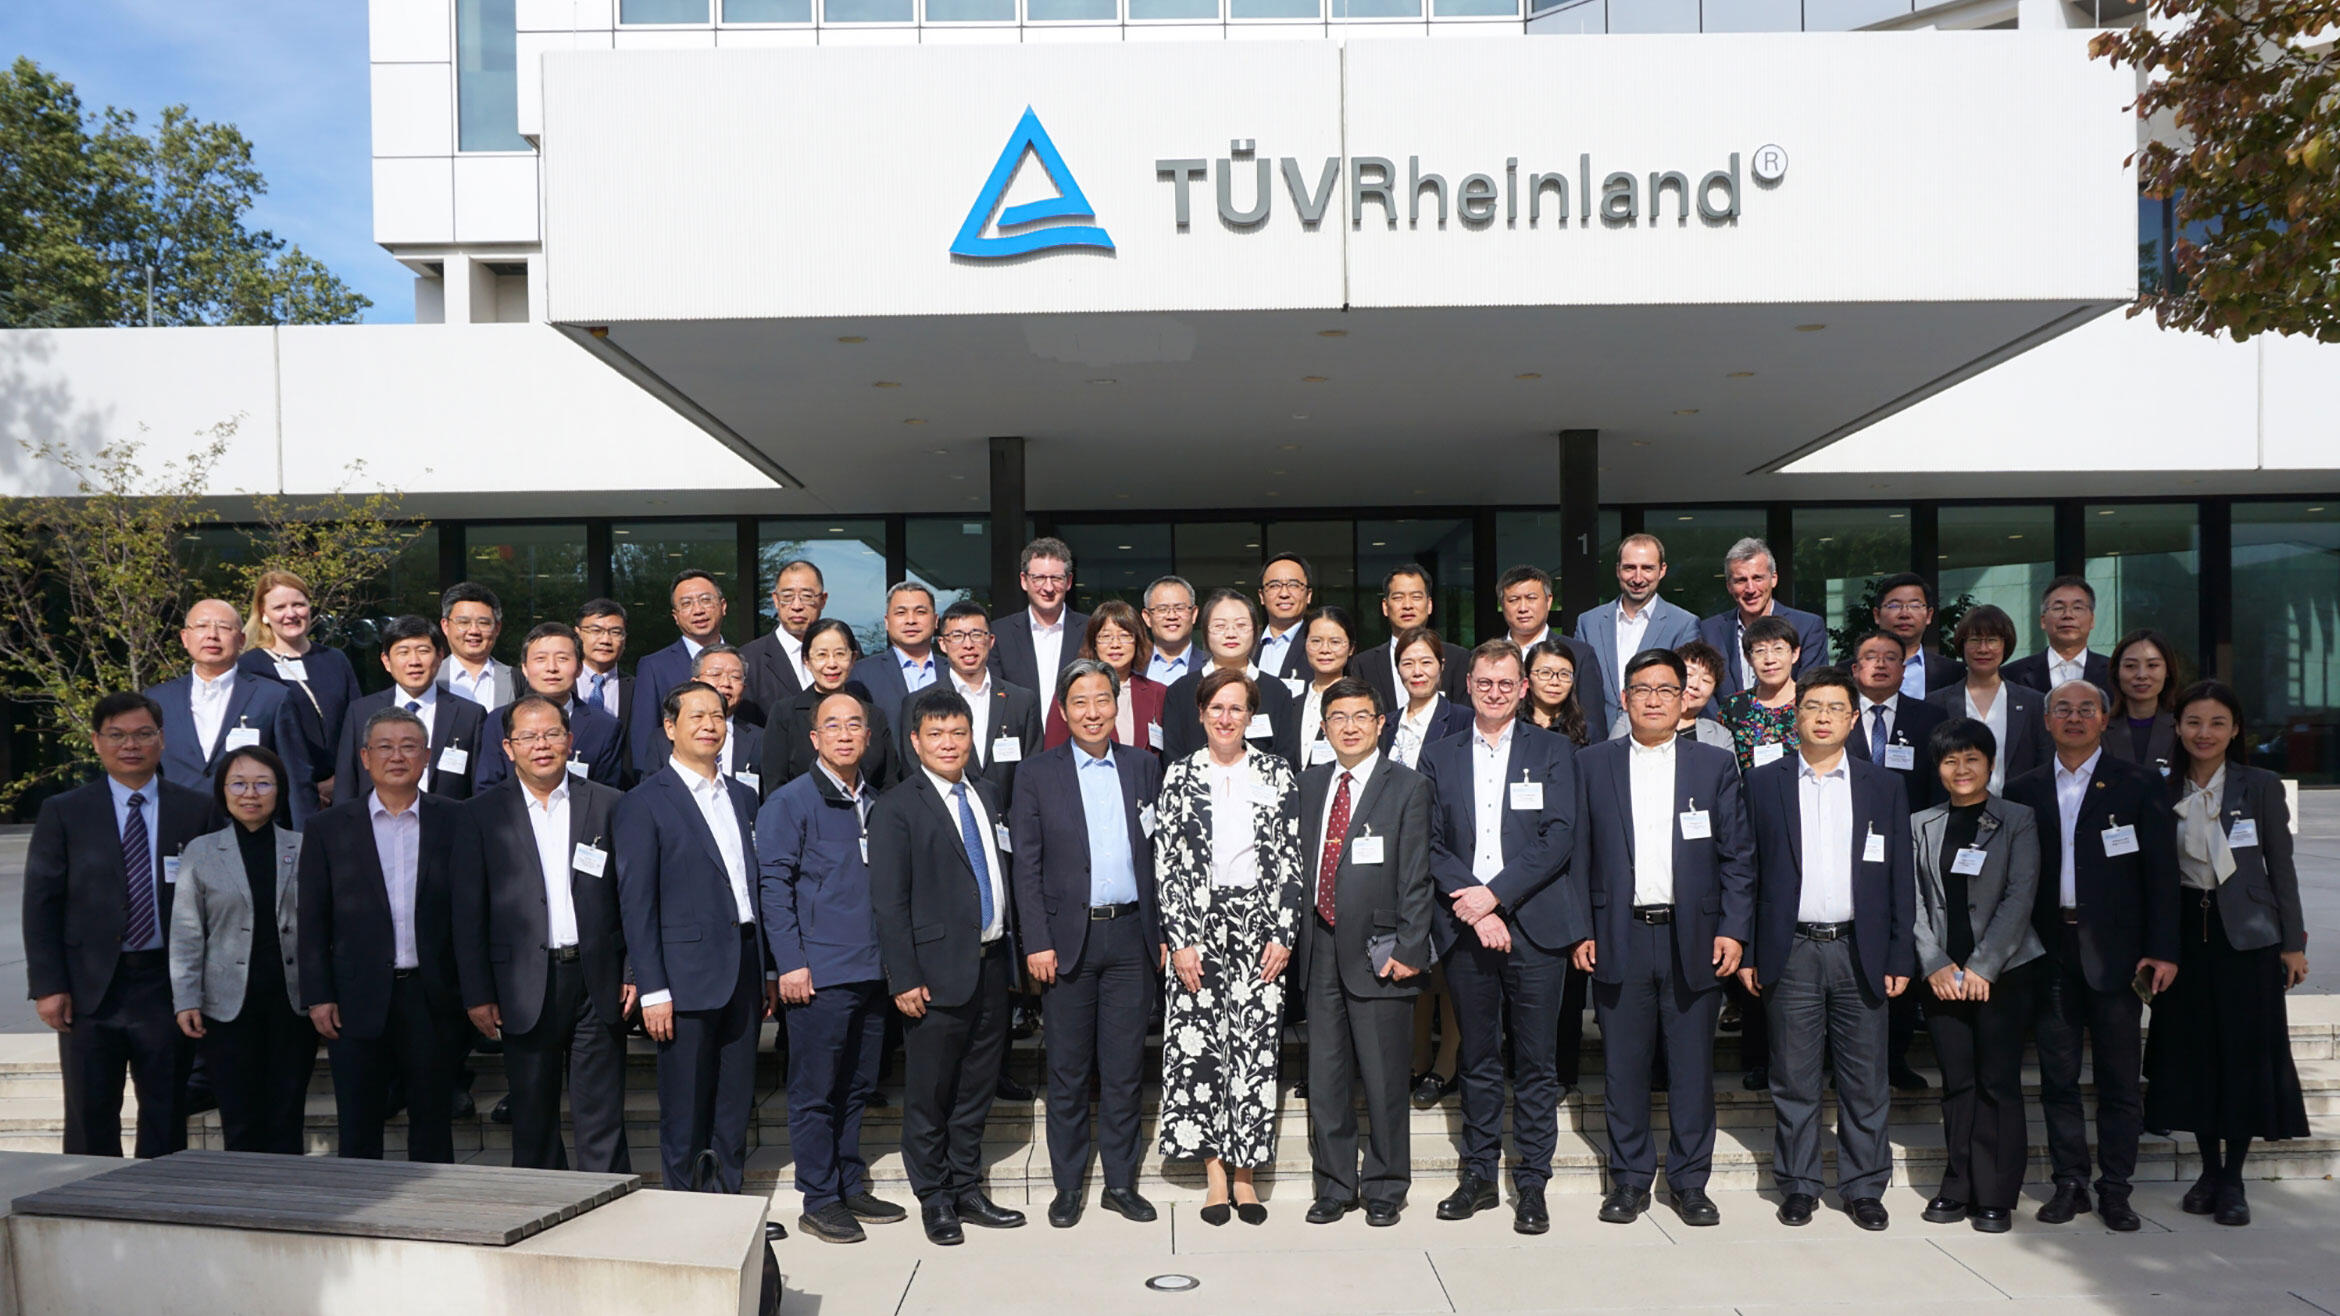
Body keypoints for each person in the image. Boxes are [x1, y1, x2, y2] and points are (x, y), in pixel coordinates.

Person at [1572, 650, 1754, 1228]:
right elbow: (1576, 859)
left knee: (1692, 1067)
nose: (1654, 699)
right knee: (1623, 1068)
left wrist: (1733, 928)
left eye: (1666, 690)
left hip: (1694, 936)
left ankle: (1689, 1181)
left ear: (1684, 701)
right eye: (1642, 690)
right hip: (1617, 933)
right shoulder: (1593, 763)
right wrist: (1581, 929)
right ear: (1624, 700)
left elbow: (1739, 858)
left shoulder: (1713, 766)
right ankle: (1628, 1181)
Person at [1738, 666, 1915, 1231]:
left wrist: (1898, 955)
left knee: (1865, 1078)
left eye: (1835, 708)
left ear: (1852, 718)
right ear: (1796, 715)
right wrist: (1747, 950)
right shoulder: (1765, 784)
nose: (1822, 717)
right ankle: (1799, 1184)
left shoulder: (1882, 785)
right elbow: (1747, 871)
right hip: (1789, 950)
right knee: (1793, 1076)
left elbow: (1898, 879)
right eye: (1812, 706)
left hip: (1857, 949)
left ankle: (1864, 1187)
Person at [2003, 678, 2178, 1232]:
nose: (2074, 718)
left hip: (2119, 957)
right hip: (2050, 950)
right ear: (2047, 721)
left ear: (2104, 720)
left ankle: (2117, 1189)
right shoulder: (2023, 788)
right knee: (2057, 1078)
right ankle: (2070, 1183)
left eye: (2086, 709)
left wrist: (2162, 950)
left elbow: (2162, 878)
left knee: (2120, 1081)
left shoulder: (2140, 783)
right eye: (2063, 709)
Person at [1418, 641, 1581, 1235]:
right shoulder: (1439, 755)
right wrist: (1477, 905)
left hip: (1535, 926)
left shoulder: (1554, 749)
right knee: (1479, 1057)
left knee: (1537, 1063)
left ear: (1522, 688)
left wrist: (1497, 895)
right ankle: (1480, 1175)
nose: (1493, 691)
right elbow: (1429, 842)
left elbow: (1558, 836)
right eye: (1484, 682)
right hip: (1466, 926)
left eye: (1505, 683)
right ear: (1469, 687)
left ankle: (1533, 1183)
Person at [2143, 680, 2309, 1227]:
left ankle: (2233, 1177)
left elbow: (2281, 867)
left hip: (2249, 939)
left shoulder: (2259, 785)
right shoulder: (2159, 788)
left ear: (2235, 729)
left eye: (2217, 723)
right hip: (2184, 938)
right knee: (2196, 1057)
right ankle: (2208, 1170)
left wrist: (2293, 943)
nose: (2204, 733)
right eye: (2193, 722)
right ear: (2179, 728)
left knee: (2243, 1058)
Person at [24, 691, 215, 1158]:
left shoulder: (196, 810)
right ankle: (87, 1210)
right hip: (90, 991)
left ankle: (157, 1209)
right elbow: (41, 904)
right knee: (90, 1116)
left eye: (143, 734)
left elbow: (216, 902)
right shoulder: (64, 811)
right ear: (96, 742)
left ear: (162, 740)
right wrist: (48, 985)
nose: (131, 745)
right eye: (117, 735)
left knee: (166, 1111)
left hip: (165, 987)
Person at [869, 688, 1028, 1245]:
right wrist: (904, 976)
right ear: (914, 742)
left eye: (958, 733)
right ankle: (933, 1197)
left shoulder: (985, 793)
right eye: (935, 734)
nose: (948, 743)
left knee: (976, 1089)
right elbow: (889, 902)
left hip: (989, 967)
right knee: (930, 1093)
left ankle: (966, 1186)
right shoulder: (896, 806)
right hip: (933, 976)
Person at [1012, 659, 1166, 1228]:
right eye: (1080, 702)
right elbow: (1026, 866)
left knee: (1125, 1068)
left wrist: (1166, 935)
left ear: (1116, 704)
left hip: (1132, 936)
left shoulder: (1145, 767)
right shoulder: (1036, 773)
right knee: (1069, 1072)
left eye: (1103, 700)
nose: (1093, 712)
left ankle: (1121, 1183)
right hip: (1066, 942)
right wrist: (1037, 941)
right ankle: (1068, 1185)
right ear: (1062, 709)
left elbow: (1161, 857)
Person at [452, 695, 633, 1175]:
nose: (542, 745)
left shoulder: (609, 804)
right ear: (508, 748)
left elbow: (632, 897)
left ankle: (612, 1210)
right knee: (533, 1116)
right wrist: (477, 993)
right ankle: (542, 1213)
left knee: (602, 1113)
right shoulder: (479, 815)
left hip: (597, 978)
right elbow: (467, 915)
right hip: (522, 983)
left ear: (569, 741)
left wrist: (633, 969)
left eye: (552, 734)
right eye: (528, 737)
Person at [1154, 668, 1306, 1226]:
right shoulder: (1178, 776)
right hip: (1197, 927)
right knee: (1200, 1052)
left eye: (1236, 709)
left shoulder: (1276, 774)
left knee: (1254, 1049)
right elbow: (1167, 863)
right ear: (1200, 713)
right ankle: (1215, 1175)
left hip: (1259, 926)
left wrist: (1281, 933)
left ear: (1251, 716)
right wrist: (1181, 937)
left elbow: (1291, 858)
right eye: (1216, 708)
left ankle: (1247, 1178)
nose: (1225, 718)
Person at [760, 690, 909, 1244]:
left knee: (857, 1085)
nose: (845, 734)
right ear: (814, 738)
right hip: (819, 975)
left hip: (874, 971)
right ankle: (819, 1197)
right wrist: (790, 964)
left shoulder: (881, 803)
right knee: (815, 1090)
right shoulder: (791, 802)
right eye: (833, 726)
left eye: (856, 725)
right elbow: (773, 888)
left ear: (869, 738)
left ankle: (849, 1182)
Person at [615, 680, 773, 1195]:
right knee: (685, 1107)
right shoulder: (645, 802)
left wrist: (767, 968)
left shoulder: (745, 797)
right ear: (670, 728)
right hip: (683, 981)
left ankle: (728, 1203)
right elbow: (637, 905)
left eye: (718, 717)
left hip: (744, 968)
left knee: (734, 1103)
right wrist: (653, 988)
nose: (710, 726)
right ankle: (684, 1209)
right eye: (697, 717)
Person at [298, 705, 473, 1162]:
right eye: (385, 747)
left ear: (427, 756)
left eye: (409, 746)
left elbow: (471, 913)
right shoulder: (328, 828)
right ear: (364, 757)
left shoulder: (458, 820)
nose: (397, 756)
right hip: (355, 997)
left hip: (432, 995)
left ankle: (431, 1222)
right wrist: (318, 995)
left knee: (433, 1123)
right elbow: (313, 917)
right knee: (357, 1124)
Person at [1299, 677, 1436, 1227]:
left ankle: (1384, 1185)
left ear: (1381, 725)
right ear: (1324, 726)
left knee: (1382, 1076)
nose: (1349, 726)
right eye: (1338, 717)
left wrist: (1410, 945)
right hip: (1319, 946)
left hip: (1382, 951)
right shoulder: (1308, 786)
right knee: (1326, 1075)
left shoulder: (1406, 785)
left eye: (1361, 716)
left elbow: (1417, 876)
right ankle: (1334, 1184)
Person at [1911, 717, 2044, 1234]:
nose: (1961, 768)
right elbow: (1913, 901)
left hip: (2004, 973)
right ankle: (1957, 1183)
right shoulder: (1921, 823)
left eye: (1972, 758)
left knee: (1998, 1083)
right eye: (1950, 760)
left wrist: (1983, 966)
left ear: (1990, 763)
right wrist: (1936, 964)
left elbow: (2020, 895)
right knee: (1957, 1083)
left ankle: (1996, 1193)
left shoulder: (2017, 819)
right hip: (1941, 976)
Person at [168, 746, 312, 1155]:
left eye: (263, 783)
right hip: (227, 1007)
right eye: (239, 783)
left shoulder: (303, 846)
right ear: (223, 791)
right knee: (240, 1117)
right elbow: (187, 932)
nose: (251, 793)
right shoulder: (202, 851)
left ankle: (286, 1204)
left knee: (287, 1114)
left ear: (279, 791)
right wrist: (186, 999)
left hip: (291, 1003)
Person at [147, 598, 312, 825]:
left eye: (224, 627)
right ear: (185, 638)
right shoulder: (157, 700)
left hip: (250, 834)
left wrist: (304, 844)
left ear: (241, 639)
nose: (212, 635)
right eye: (202, 626)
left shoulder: (272, 697)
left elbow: (296, 779)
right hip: (177, 832)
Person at [238, 570, 363, 813]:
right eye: (279, 607)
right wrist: (301, 787)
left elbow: (356, 723)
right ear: (264, 615)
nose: (291, 614)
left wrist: (339, 781)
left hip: (342, 795)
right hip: (282, 800)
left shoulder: (335, 660)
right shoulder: (250, 666)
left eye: (298, 604)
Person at [336, 615, 486, 802]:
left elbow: (479, 791)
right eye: (403, 652)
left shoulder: (469, 715)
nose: (414, 661)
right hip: (374, 825)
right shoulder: (361, 712)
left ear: (439, 656)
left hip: (448, 826)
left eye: (423, 651)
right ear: (386, 661)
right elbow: (346, 784)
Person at [473, 623, 626, 791]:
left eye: (562, 659)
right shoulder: (498, 720)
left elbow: (605, 797)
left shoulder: (604, 727)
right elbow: (487, 788)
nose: (551, 668)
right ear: (524, 668)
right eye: (541, 659)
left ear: (579, 668)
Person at [1160, 589, 1301, 770]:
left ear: (1255, 631)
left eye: (1241, 625)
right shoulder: (1180, 691)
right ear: (1205, 632)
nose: (1231, 634)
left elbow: (1285, 757)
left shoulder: (1276, 691)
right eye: (1220, 626)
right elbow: (1173, 760)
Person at [1574, 535, 1700, 733]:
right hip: (1595, 740)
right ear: (1618, 570)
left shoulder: (1683, 624)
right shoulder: (1588, 622)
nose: (1638, 578)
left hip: (1655, 740)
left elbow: (1685, 690)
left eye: (1647, 568)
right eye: (1629, 568)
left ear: (1662, 570)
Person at [768, 618, 903, 792]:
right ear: (807, 660)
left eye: (840, 654)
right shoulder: (785, 714)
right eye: (821, 655)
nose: (832, 664)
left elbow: (890, 782)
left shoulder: (873, 715)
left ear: (853, 658)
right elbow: (774, 784)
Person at [932, 600, 1045, 808]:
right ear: (942, 644)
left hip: (1009, 825)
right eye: (957, 636)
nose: (968, 645)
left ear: (991, 641)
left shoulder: (1021, 701)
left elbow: (1034, 772)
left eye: (977, 635)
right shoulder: (922, 702)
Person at [1928, 604, 2050, 794]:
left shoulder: (2033, 703)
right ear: (1962, 644)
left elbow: (2044, 767)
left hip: (2018, 815)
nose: (1983, 649)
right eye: (1975, 640)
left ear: (2005, 645)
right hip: (1954, 815)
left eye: (1992, 640)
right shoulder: (1936, 703)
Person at [1697, 538, 1829, 702]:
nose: (1750, 589)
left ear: (1773, 579)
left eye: (1758, 578)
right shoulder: (1709, 631)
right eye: (1741, 580)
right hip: (1722, 726)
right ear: (1729, 586)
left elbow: (1812, 690)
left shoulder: (1807, 627)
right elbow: (1703, 694)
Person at [629, 570, 731, 774]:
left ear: (723, 606)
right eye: (686, 604)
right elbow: (643, 741)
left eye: (705, 600)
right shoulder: (654, 667)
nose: (698, 610)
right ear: (675, 617)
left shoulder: (744, 661)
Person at [1042, 601, 1168, 754]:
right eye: (1106, 636)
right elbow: (1053, 753)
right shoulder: (1071, 690)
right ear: (1094, 642)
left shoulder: (1158, 693)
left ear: (1137, 641)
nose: (1115, 644)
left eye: (1124, 636)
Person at [1847, 630, 1949, 810]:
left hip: (1911, 825)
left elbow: (1939, 783)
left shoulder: (1931, 718)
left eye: (1891, 658)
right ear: (1855, 669)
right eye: (1870, 657)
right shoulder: (1838, 714)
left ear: (1903, 670)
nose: (1880, 664)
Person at [1354, 565, 1470, 710]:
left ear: (1429, 605)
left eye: (1416, 597)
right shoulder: (1365, 664)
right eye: (1398, 597)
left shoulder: (1459, 658)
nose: (1407, 605)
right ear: (1385, 606)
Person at [990, 537, 1089, 697]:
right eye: (1039, 578)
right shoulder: (999, 634)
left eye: (1056, 578)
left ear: (1069, 581)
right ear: (1024, 580)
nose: (1048, 587)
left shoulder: (1090, 631)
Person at [741, 558, 826, 728]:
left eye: (807, 596)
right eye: (787, 597)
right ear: (775, 599)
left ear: (823, 600)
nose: (796, 606)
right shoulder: (749, 659)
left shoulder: (844, 651)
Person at [2004, 576, 2114, 704]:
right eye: (2058, 608)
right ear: (2043, 621)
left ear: (2092, 620)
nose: (2068, 615)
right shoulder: (2012, 675)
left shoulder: (2114, 673)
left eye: (2077, 608)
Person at [1610, 639, 1735, 751]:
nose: (1695, 685)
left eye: (1706, 680)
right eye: (1689, 674)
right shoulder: (1630, 722)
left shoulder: (1720, 735)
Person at [850, 582, 943, 734]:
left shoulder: (954, 670)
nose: (911, 620)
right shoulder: (862, 674)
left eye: (920, 612)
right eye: (901, 613)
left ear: (935, 620)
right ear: (887, 622)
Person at [1716, 615, 1803, 775]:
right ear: (1748, 658)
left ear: (1795, 653)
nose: (1770, 659)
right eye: (1760, 651)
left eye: (1778, 649)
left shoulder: (1811, 702)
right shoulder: (1734, 706)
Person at [1382, 625, 1472, 769]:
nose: (1417, 672)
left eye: (1426, 663)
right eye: (1408, 664)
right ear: (1397, 669)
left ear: (1441, 666)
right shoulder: (1386, 724)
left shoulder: (1463, 720)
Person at [1868, 573, 1963, 697]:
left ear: (1929, 615)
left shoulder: (1952, 672)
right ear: (1877, 615)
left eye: (1915, 605)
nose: (1904, 614)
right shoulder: (1849, 671)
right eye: (1894, 605)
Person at [691, 645, 767, 799]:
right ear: (695, 682)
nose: (725, 683)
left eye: (735, 677)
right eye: (715, 674)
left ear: (744, 687)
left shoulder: (762, 739)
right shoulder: (666, 738)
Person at [2106, 628, 2182, 776]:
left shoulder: (2183, 728)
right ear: (2117, 672)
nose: (2141, 675)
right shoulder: (2098, 729)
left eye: (2152, 665)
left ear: (2168, 671)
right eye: (2130, 666)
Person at [437, 582, 518, 710]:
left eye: (483, 623)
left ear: (497, 628)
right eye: (463, 622)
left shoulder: (517, 681)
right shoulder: (430, 677)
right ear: (445, 626)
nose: (474, 631)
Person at [1295, 605, 1359, 766]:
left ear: (1351, 648)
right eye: (1316, 641)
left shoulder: (1361, 703)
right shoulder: (1291, 704)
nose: (1325, 650)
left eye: (1335, 642)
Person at [1255, 553, 1315, 688]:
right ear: (1261, 596)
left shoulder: (1318, 647)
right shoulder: (1246, 647)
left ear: (1308, 595)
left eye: (1294, 585)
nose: (1284, 594)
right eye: (1274, 585)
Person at [1520, 639, 1592, 748]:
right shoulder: (1513, 725)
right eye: (1545, 673)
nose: (1555, 682)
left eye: (1564, 674)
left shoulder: (1585, 731)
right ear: (1527, 680)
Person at [576, 598, 631, 726]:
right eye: (596, 631)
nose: (605, 640)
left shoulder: (637, 689)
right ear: (577, 634)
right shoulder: (561, 682)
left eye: (615, 632)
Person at [1141, 575, 1202, 688]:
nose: (1171, 616)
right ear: (1147, 617)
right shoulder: (1133, 667)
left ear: (1193, 614)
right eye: (1162, 609)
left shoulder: (1210, 666)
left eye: (1179, 608)